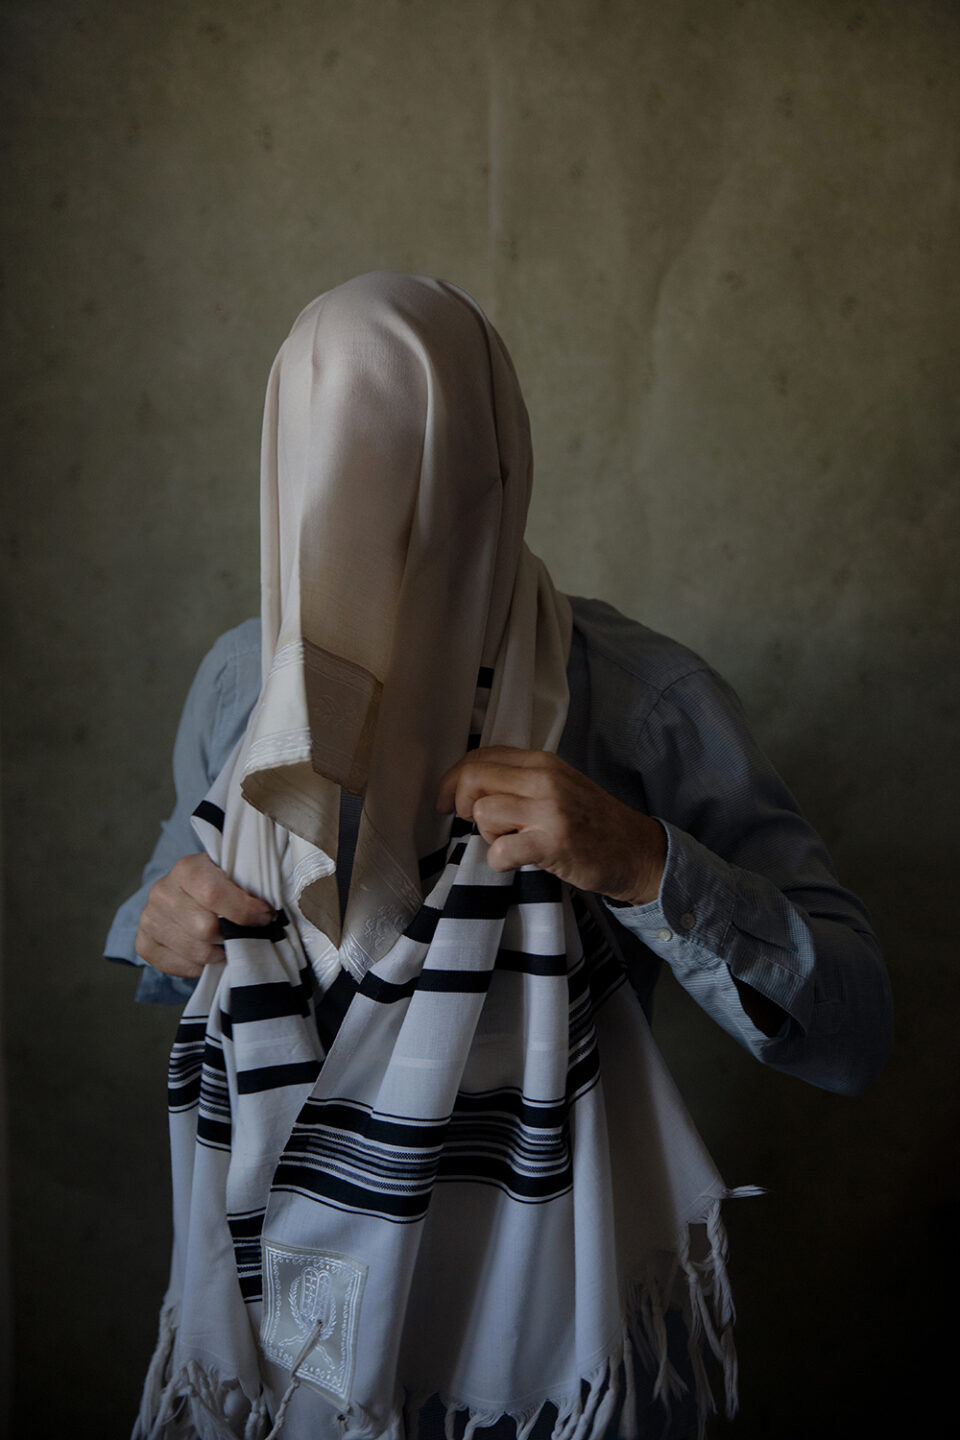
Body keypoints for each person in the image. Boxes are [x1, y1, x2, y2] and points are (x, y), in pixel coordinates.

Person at [109, 272, 892, 1440]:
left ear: (486, 468)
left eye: (401, 474)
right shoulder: (242, 687)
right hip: (284, 1346)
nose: (358, 519)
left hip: (540, 1345)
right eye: (321, 472)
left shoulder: (643, 702)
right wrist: (160, 927)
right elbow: (160, 916)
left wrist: (645, 865)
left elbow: (856, 1030)